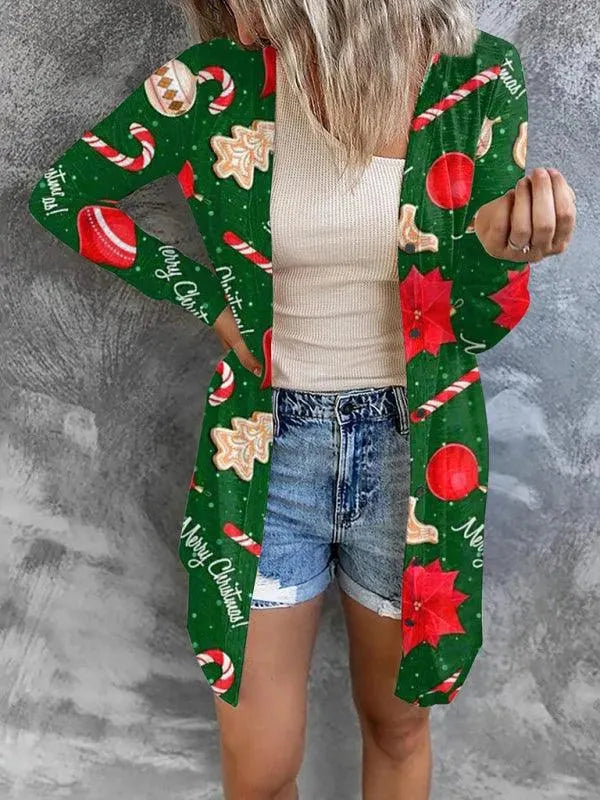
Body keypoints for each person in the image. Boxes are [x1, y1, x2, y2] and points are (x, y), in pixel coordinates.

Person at [29, 1, 576, 798]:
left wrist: (500, 256)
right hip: (265, 450)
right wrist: (208, 301)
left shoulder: (479, 76)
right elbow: (64, 195)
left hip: (416, 456)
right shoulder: (217, 80)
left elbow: (477, 327)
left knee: (397, 727)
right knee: (260, 772)